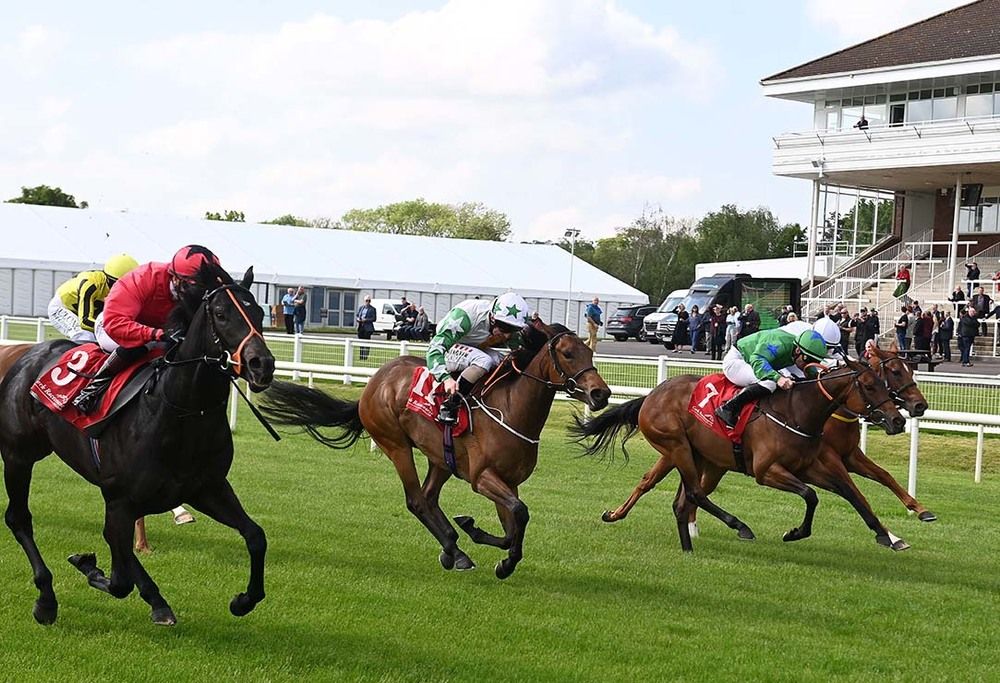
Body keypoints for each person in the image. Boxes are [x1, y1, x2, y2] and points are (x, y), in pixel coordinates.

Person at [76, 245, 219, 529]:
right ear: (175, 278)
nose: (198, 293)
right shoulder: (143, 279)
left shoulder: (198, 287)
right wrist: (155, 334)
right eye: (193, 286)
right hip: (116, 326)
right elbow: (116, 323)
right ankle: (92, 389)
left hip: (163, 328)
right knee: (137, 347)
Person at [427, 292, 530, 424]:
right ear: (492, 318)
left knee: (504, 360)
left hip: (473, 348)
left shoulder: (506, 324)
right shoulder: (465, 316)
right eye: (504, 328)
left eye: (513, 329)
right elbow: (434, 348)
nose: (507, 335)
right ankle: (450, 404)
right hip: (449, 347)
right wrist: (445, 378)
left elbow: (518, 352)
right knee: (484, 360)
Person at [715, 327, 832, 429]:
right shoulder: (779, 343)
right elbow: (757, 360)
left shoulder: (799, 350)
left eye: (815, 362)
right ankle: (727, 408)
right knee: (771, 383)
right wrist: (777, 378)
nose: (810, 365)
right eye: (809, 360)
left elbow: (810, 371)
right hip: (737, 361)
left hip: (753, 361)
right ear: (797, 350)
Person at [48, 253, 139, 343]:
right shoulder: (91, 284)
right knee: (85, 335)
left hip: (90, 312)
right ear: (108, 279)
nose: (122, 290)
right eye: (117, 284)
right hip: (63, 308)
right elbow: (85, 321)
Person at [355, 295, 377, 361]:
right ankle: (361, 356)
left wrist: (366, 320)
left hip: (368, 328)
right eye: (366, 301)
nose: (367, 302)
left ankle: (365, 357)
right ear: (364, 301)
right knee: (361, 343)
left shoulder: (372, 309)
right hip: (361, 326)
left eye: (369, 301)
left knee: (366, 342)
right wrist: (358, 319)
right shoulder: (361, 308)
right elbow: (357, 315)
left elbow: (374, 318)